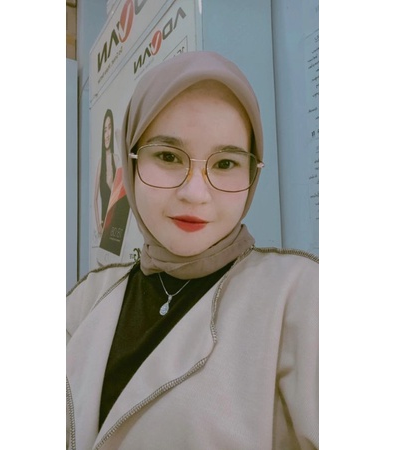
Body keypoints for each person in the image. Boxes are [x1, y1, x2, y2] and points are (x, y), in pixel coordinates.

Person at [67, 51, 318, 450]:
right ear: (131, 162)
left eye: (225, 164)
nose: (195, 193)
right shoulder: (88, 298)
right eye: (168, 156)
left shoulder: (301, 296)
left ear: (252, 172)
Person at [94, 109, 117, 235]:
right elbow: (94, 199)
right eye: (104, 130)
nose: (107, 134)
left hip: (116, 226)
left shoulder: (117, 160)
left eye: (109, 128)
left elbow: (120, 197)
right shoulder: (100, 163)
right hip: (104, 228)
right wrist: (98, 225)